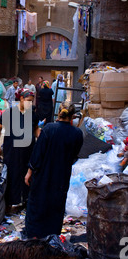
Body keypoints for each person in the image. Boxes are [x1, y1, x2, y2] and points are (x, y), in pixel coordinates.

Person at [24, 102, 83, 239]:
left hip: (43, 176)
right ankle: (52, 237)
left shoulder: (49, 128)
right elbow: (74, 155)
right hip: (61, 177)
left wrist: (29, 172)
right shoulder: (77, 133)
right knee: (56, 206)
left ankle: (34, 236)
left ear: (59, 113)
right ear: (73, 116)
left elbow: (37, 153)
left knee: (38, 204)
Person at [0, 89, 39, 212]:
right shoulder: (10, 113)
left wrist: (42, 141)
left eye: (32, 101)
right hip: (11, 151)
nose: (30, 104)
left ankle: (25, 201)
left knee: (27, 174)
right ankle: (9, 203)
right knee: (12, 174)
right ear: (21, 99)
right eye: (28, 101)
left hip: (28, 151)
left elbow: (36, 129)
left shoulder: (33, 114)